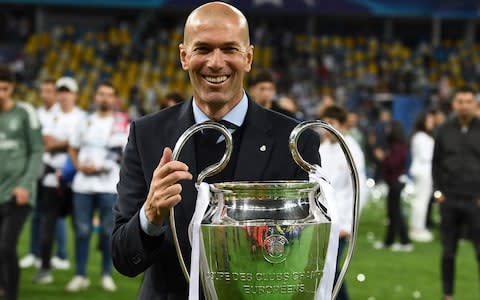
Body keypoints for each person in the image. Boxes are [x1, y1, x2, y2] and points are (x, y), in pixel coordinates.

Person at [111, 2, 320, 299]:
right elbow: (123, 258)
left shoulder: (297, 141)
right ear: (184, 56)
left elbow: (307, 256)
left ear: (248, 57)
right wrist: (151, 214)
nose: (216, 63)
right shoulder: (148, 135)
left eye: (230, 49)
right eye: (204, 49)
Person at [65, 81, 128, 292]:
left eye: (109, 95)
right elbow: (72, 148)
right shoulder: (84, 122)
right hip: (82, 185)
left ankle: (105, 275)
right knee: (82, 231)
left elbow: (122, 153)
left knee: (107, 233)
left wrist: (101, 167)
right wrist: (79, 166)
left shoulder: (121, 123)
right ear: (95, 97)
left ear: (114, 99)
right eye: (101, 94)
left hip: (108, 186)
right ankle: (80, 275)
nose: (105, 98)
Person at [32, 76, 85, 284]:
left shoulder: (82, 117)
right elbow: (44, 140)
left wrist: (61, 144)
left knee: (81, 227)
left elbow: (75, 145)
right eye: (60, 91)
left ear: (75, 95)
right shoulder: (51, 115)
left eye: (67, 92)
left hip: (74, 178)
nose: (63, 95)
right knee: (48, 223)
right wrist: (65, 144)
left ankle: (80, 273)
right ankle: (45, 268)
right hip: (52, 176)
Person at [432, 86, 480, 300]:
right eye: (460, 101)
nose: (464, 105)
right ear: (454, 104)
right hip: (449, 199)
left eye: (468, 101)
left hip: (476, 200)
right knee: (448, 253)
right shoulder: (443, 130)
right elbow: (436, 163)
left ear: (475, 104)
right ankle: (448, 295)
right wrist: (437, 192)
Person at [0, 65, 43, 300]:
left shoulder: (25, 113)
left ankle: (11, 295)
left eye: (4, 89)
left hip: (18, 193)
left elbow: (37, 150)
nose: (0, 94)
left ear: (12, 88)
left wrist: (26, 185)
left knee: (6, 247)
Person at [20, 78, 70, 270]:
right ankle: (34, 253)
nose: (45, 95)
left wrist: (48, 141)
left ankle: (62, 254)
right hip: (38, 168)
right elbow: (38, 139)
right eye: (43, 91)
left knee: (55, 216)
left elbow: (49, 140)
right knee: (35, 214)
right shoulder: (37, 113)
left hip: (56, 170)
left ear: (56, 94)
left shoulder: (61, 114)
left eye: (49, 91)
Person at [319, 105, 367, 300]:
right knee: (323, 268)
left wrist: (349, 222)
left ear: (342, 125)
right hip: (324, 218)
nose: (327, 128)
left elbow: (359, 188)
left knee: (332, 270)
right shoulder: (322, 148)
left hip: (342, 220)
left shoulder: (351, 149)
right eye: (325, 123)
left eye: (331, 123)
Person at [374, 120, 412, 251]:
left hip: (395, 182)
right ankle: (395, 241)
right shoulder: (396, 146)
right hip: (394, 182)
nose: (387, 131)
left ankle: (402, 241)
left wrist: (383, 157)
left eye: (389, 128)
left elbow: (393, 164)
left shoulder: (397, 147)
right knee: (394, 213)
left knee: (395, 213)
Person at [408, 110, 435, 242]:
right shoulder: (421, 137)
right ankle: (417, 228)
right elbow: (426, 156)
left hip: (424, 171)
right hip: (424, 171)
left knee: (422, 200)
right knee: (421, 201)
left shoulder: (422, 136)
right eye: (429, 121)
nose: (432, 123)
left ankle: (418, 227)